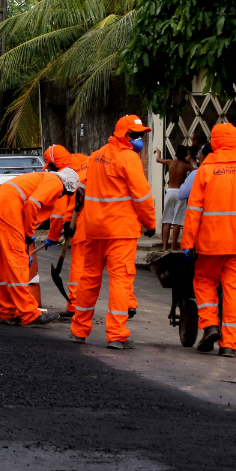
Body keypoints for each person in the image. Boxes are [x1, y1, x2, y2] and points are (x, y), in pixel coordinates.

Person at [181, 123, 236, 357]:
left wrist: (188, 244)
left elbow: (194, 211)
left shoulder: (205, 171)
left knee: (204, 282)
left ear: (215, 142)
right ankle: (229, 345)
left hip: (211, 244)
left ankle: (210, 325)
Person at [69, 115, 157, 349]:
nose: (138, 139)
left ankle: (79, 329)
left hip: (95, 228)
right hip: (120, 230)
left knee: (89, 279)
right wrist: (150, 223)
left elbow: (82, 188)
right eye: (134, 135)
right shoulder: (129, 159)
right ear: (122, 134)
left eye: (140, 135)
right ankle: (117, 335)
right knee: (120, 280)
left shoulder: (96, 156)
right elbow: (142, 195)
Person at [0, 169, 78, 326]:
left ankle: (8, 310)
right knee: (17, 261)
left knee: (2, 261)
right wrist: (28, 234)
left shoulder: (42, 178)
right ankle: (29, 314)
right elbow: (33, 204)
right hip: (8, 208)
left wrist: (25, 242)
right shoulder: (55, 182)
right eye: (65, 193)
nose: (62, 196)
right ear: (67, 185)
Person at [42, 145, 89, 317]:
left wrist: (52, 236)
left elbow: (58, 212)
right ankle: (127, 303)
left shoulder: (63, 176)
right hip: (108, 223)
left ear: (54, 164)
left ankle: (74, 306)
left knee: (78, 265)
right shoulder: (84, 159)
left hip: (82, 223)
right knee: (117, 268)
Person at [155, 145, 193, 251]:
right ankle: (173, 246)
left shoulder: (170, 162)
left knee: (167, 220)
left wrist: (158, 152)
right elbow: (197, 170)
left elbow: (158, 160)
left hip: (170, 192)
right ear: (185, 155)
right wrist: (192, 159)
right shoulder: (186, 166)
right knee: (177, 222)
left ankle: (164, 246)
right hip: (180, 193)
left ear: (175, 154)